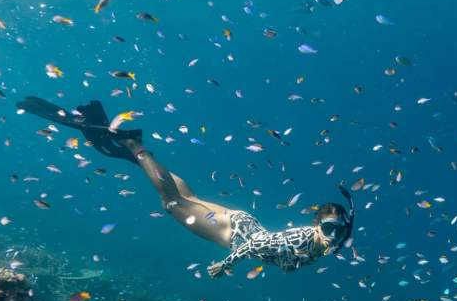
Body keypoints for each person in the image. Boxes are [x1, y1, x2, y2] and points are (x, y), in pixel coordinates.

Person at [17, 96, 354, 277]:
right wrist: (227, 265)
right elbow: (259, 244)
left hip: (240, 223)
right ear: (315, 224)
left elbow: (342, 227)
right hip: (233, 233)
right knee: (172, 202)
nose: (334, 235)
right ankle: (136, 147)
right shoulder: (303, 237)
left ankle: (134, 155)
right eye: (328, 228)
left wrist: (342, 225)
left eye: (337, 230)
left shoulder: (331, 240)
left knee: (186, 196)